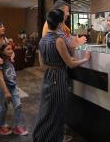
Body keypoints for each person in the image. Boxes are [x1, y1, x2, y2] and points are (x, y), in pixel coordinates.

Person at [33, 9, 91, 142]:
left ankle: (40, 137)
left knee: (46, 110)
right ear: (60, 24)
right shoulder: (58, 40)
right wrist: (85, 59)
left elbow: (42, 65)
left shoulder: (42, 41)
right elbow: (70, 64)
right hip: (58, 78)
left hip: (47, 77)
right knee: (57, 112)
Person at [0, 44, 28, 135]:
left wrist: (11, 56)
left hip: (13, 87)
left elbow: (12, 54)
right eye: (8, 49)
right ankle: (0, 127)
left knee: (18, 106)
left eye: (11, 49)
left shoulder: (9, 60)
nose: (11, 51)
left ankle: (18, 127)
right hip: (3, 88)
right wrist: (6, 92)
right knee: (4, 108)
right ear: (2, 52)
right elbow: (1, 79)